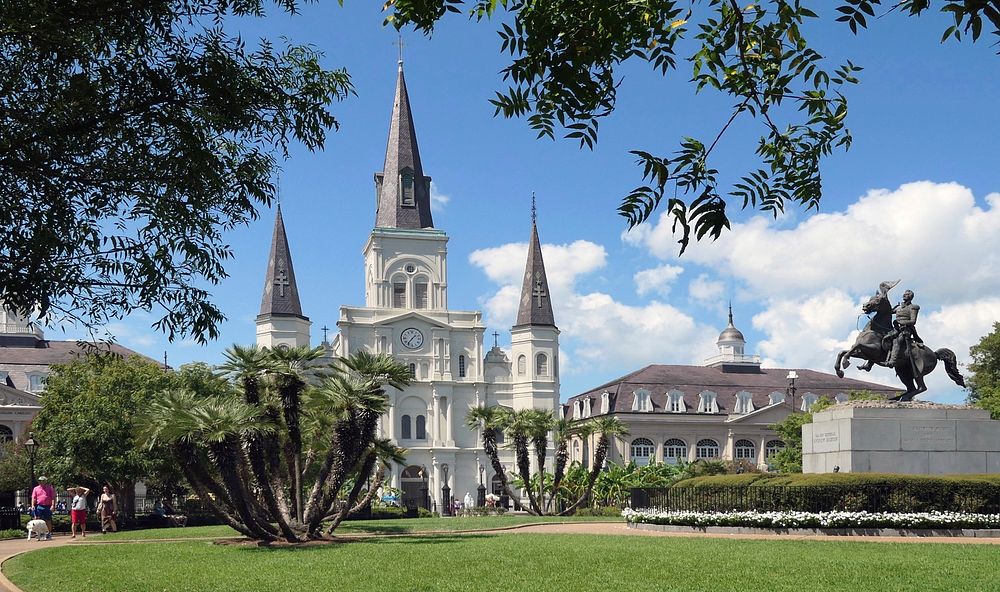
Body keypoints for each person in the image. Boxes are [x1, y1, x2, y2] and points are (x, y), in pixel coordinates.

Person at [885, 289, 922, 367]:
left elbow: (913, 321)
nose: (905, 295)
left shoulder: (913, 307)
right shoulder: (899, 307)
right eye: (904, 294)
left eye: (907, 294)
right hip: (896, 329)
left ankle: (893, 361)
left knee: (896, 341)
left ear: (911, 297)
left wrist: (900, 322)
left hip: (906, 330)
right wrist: (885, 298)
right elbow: (888, 311)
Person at [30, 476, 56, 540]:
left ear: (45, 481)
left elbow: (53, 497)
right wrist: (33, 505)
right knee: (37, 520)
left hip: (47, 506)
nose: (41, 482)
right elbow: (34, 497)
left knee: (48, 520)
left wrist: (53, 505)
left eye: (43, 481)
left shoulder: (50, 488)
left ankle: (49, 533)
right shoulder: (36, 489)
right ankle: (38, 534)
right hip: (39, 506)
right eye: (40, 481)